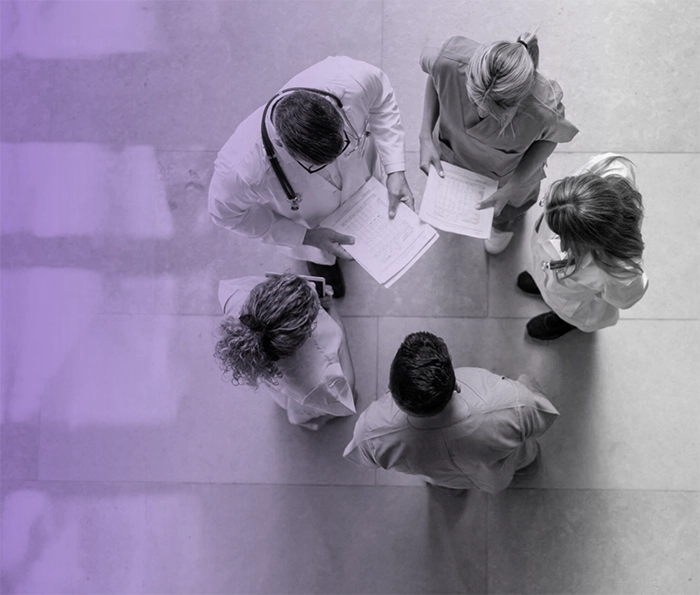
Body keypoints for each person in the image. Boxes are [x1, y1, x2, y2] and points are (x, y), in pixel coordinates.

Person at [208, 56, 414, 298]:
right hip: (310, 224)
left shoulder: (349, 80)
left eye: (345, 145)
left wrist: (395, 169)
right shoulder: (240, 170)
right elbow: (226, 215)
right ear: (281, 145)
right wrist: (306, 236)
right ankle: (321, 262)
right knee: (320, 256)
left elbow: (382, 98)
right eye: (318, 166)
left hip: (363, 186)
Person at [419, 32, 578, 254]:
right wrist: (425, 136)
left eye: (494, 112)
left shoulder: (543, 109)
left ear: (520, 103)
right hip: (454, 154)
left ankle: (503, 226)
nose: (481, 112)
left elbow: (551, 139)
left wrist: (511, 188)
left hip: (510, 179)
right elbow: (436, 77)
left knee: (507, 211)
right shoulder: (449, 61)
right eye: (474, 99)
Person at [343, 332, 559, 494]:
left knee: (448, 484)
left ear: (391, 389)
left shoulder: (371, 433)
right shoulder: (512, 403)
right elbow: (544, 415)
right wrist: (526, 383)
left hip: (443, 478)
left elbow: (362, 458)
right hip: (494, 474)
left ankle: (453, 491)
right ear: (455, 385)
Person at [518, 153, 648, 340]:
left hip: (571, 303)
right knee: (543, 268)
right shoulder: (607, 169)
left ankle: (563, 321)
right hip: (548, 266)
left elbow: (624, 299)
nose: (557, 239)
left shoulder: (620, 271)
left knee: (568, 311)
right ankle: (542, 282)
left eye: (562, 237)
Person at [215, 273, 356, 430]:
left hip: (277, 383)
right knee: (304, 411)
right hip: (303, 396)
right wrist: (338, 324)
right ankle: (313, 423)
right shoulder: (315, 379)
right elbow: (345, 393)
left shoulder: (235, 294)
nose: (312, 285)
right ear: (303, 337)